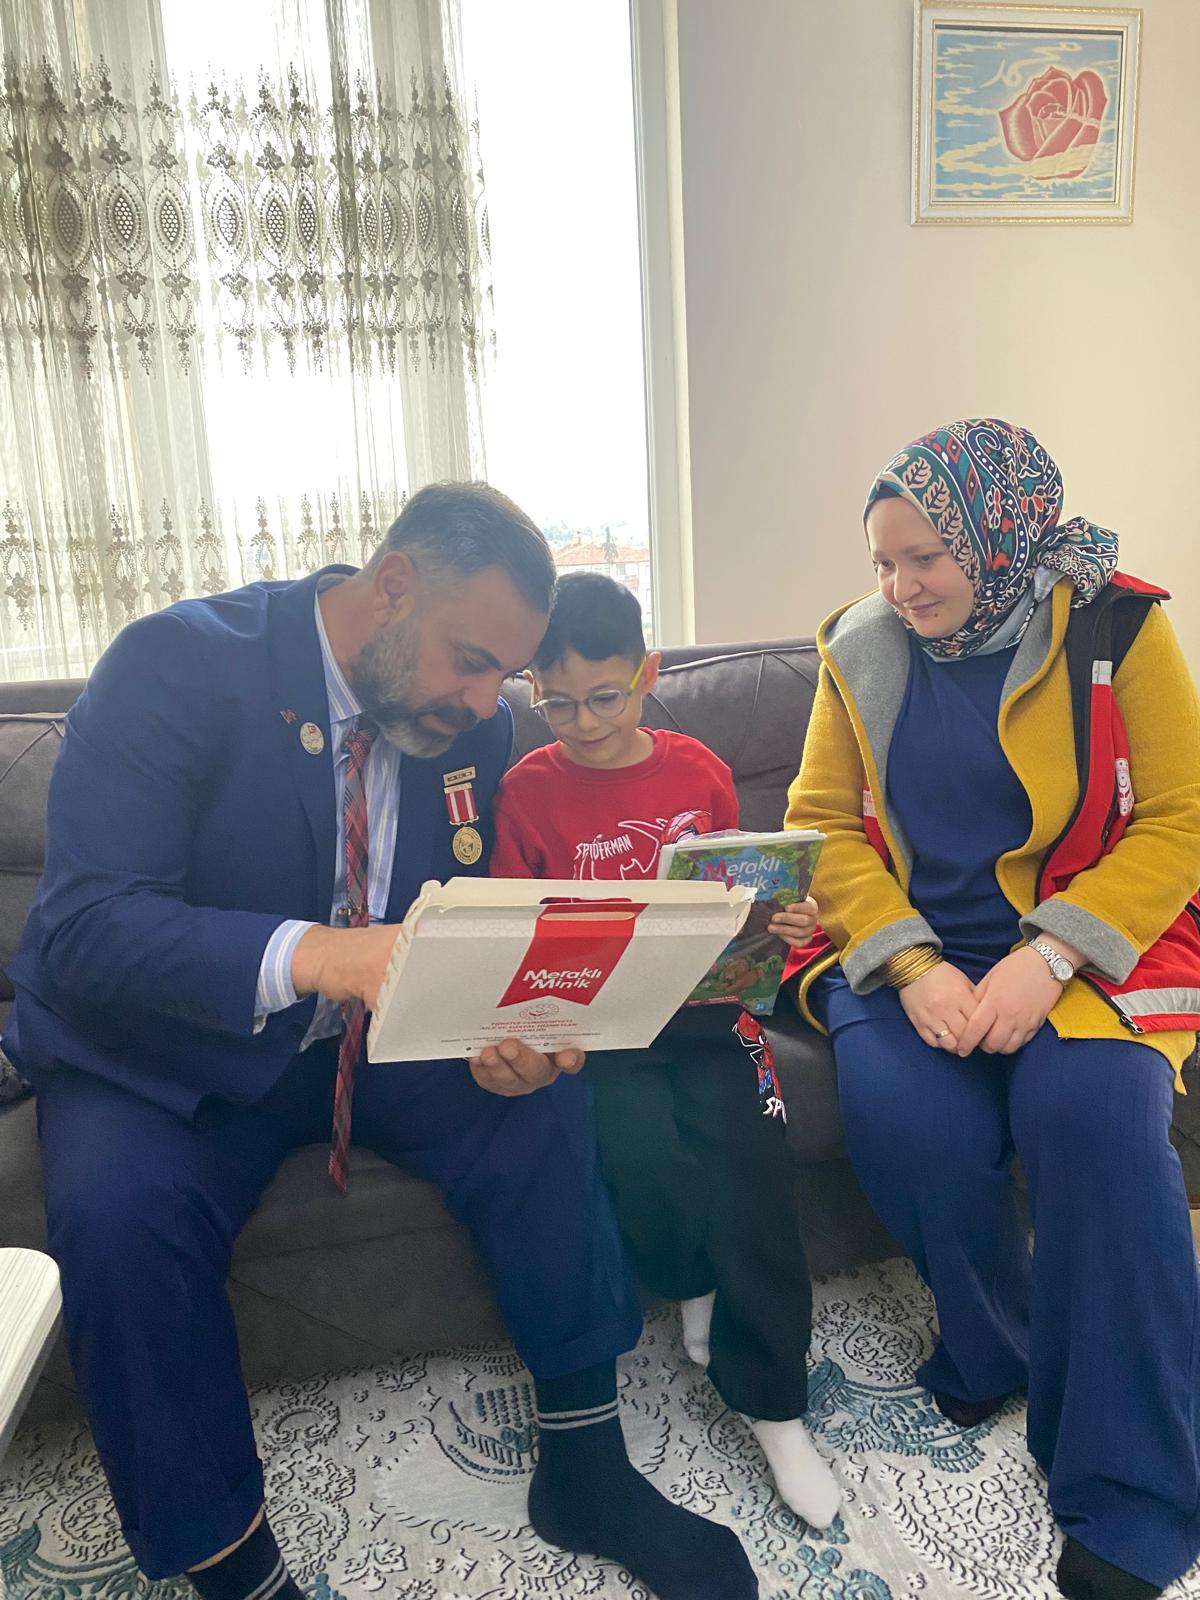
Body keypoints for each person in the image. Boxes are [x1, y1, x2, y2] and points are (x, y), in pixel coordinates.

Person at [2, 486, 759, 1600]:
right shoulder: (175, 665)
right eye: (470, 661)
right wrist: (318, 954)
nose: (485, 701)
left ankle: (588, 1468)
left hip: (375, 1031)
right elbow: (83, 929)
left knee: (542, 1102)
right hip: (160, 1052)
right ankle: (233, 1567)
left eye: (503, 676)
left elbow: (461, 920)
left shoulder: (473, 727)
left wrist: (511, 1026)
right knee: (120, 1223)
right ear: (393, 584)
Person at [783, 419, 1200, 1600]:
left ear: (998, 538)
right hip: (916, 947)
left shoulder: (1117, 625)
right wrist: (912, 963)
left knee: (1098, 1121)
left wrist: (1051, 954)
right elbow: (820, 824)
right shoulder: (858, 646)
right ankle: (999, 1344)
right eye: (882, 560)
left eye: (925, 558)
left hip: (1085, 949)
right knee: (910, 1120)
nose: (899, 587)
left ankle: (1134, 1487)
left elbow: (1182, 816)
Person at [490, 571, 842, 1529]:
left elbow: (741, 901)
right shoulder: (525, 791)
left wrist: (786, 919)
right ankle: (690, 1278)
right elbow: (510, 932)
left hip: (710, 1012)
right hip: (601, 1029)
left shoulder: (697, 770)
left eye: (606, 696)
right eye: (557, 702)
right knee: (635, 1147)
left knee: (754, 1163)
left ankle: (776, 1408)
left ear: (646, 673)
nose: (583, 722)